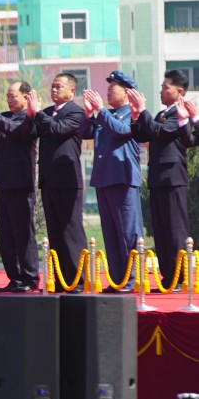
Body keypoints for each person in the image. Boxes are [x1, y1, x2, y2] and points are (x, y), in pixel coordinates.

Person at [129, 70, 193, 290]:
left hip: (173, 178)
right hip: (158, 177)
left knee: (175, 229)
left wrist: (144, 111)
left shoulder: (179, 114)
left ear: (179, 91)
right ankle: (168, 276)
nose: (162, 91)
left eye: (166, 87)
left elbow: (159, 132)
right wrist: (136, 116)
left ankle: (180, 277)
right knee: (161, 229)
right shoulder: (162, 113)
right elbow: (143, 135)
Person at [80, 71, 142, 290]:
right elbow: (85, 132)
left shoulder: (132, 114)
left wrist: (100, 110)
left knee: (127, 232)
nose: (107, 92)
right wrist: (89, 114)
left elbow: (121, 131)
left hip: (122, 178)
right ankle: (118, 279)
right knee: (111, 233)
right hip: (104, 178)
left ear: (126, 93)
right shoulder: (107, 115)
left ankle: (132, 279)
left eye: (112, 88)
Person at [0, 83, 39, 292]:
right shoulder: (4, 117)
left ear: (26, 97)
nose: (9, 99)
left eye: (13, 96)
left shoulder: (28, 118)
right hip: (3, 183)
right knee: (6, 236)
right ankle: (14, 277)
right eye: (7, 96)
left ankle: (30, 278)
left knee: (23, 234)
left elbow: (16, 131)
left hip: (21, 184)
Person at [31, 73, 87, 286]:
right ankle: (61, 279)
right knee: (54, 230)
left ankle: (79, 279)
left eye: (59, 87)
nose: (54, 90)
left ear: (71, 91)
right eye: (52, 86)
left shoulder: (76, 112)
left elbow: (58, 129)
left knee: (70, 229)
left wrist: (37, 114)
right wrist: (31, 114)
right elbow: (32, 131)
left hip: (67, 180)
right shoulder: (45, 113)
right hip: (48, 179)